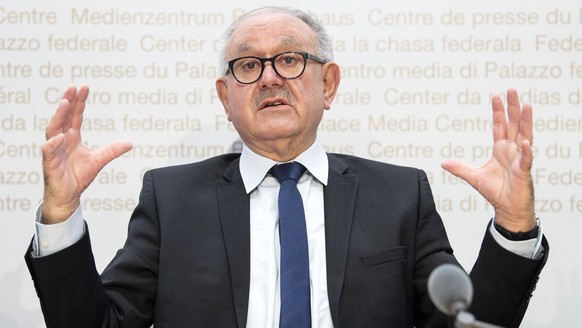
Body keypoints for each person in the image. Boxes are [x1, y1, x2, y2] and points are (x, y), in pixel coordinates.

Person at [25, 6, 548, 328]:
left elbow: (466, 323)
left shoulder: (399, 194)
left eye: (291, 59)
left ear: (330, 85)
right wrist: (62, 213)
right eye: (249, 65)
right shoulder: (172, 197)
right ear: (225, 96)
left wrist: (515, 228)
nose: (270, 78)